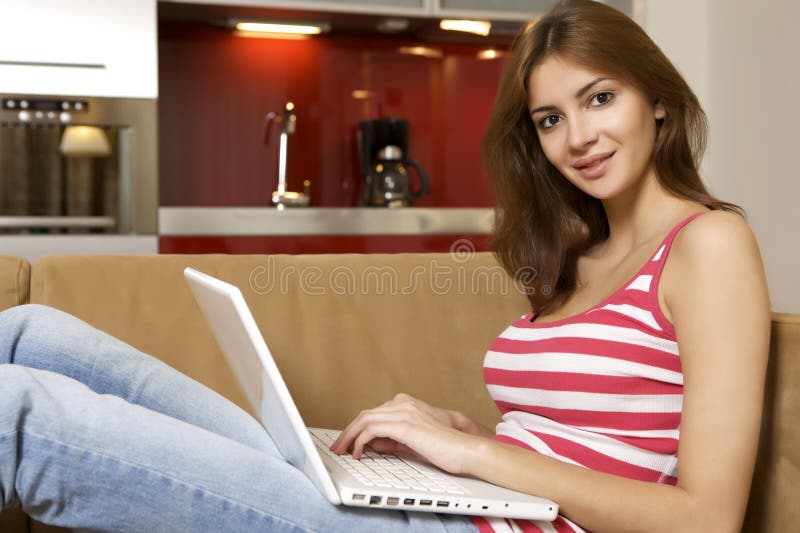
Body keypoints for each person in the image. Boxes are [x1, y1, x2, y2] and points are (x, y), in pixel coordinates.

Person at [0, 0, 770, 532]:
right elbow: (570, 435)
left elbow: (706, 516)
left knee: (13, 413)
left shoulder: (708, 244)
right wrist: (459, 434)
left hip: (486, 520)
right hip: (466, 499)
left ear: (656, 102)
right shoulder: (580, 251)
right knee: (34, 335)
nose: (578, 137)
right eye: (550, 118)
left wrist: (480, 454)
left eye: (600, 98)